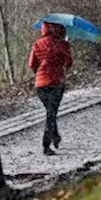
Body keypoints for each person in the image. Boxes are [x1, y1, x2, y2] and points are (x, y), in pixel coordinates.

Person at [28, 21, 72, 156]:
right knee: (51, 114)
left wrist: (40, 72)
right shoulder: (61, 44)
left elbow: (31, 64)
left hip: (40, 85)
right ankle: (46, 145)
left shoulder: (36, 44)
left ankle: (56, 136)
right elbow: (68, 63)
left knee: (50, 112)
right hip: (56, 82)